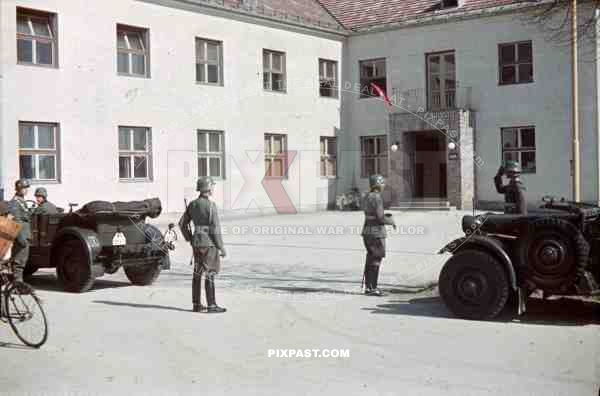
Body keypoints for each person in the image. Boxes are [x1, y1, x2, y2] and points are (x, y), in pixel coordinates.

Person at [178, 177, 227, 313]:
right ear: (208, 188)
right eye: (212, 186)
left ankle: (196, 304)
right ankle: (211, 305)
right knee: (210, 272)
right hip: (209, 243)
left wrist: (189, 237)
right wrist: (221, 247)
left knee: (197, 273)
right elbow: (215, 228)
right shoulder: (211, 206)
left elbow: (181, 224)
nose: (213, 189)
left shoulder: (192, 204)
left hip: (196, 242)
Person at [361, 174, 396, 296]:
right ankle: (372, 288)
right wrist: (391, 221)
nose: (383, 186)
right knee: (375, 260)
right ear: (378, 184)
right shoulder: (377, 197)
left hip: (367, 231)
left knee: (371, 259)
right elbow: (380, 218)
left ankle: (368, 287)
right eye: (382, 184)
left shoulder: (366, 196)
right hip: (376, 232)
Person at [7, 179, 32, 282]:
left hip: (25, 235)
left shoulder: (21, 201)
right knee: (19, 261)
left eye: (26, 188)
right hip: (21, 236)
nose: (26, 190)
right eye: (24, 188)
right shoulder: (14, 203)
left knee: (22, 260)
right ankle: (17, 284)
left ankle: (18, 283)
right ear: (18, 189)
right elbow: (16, 221)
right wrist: (21, 237)